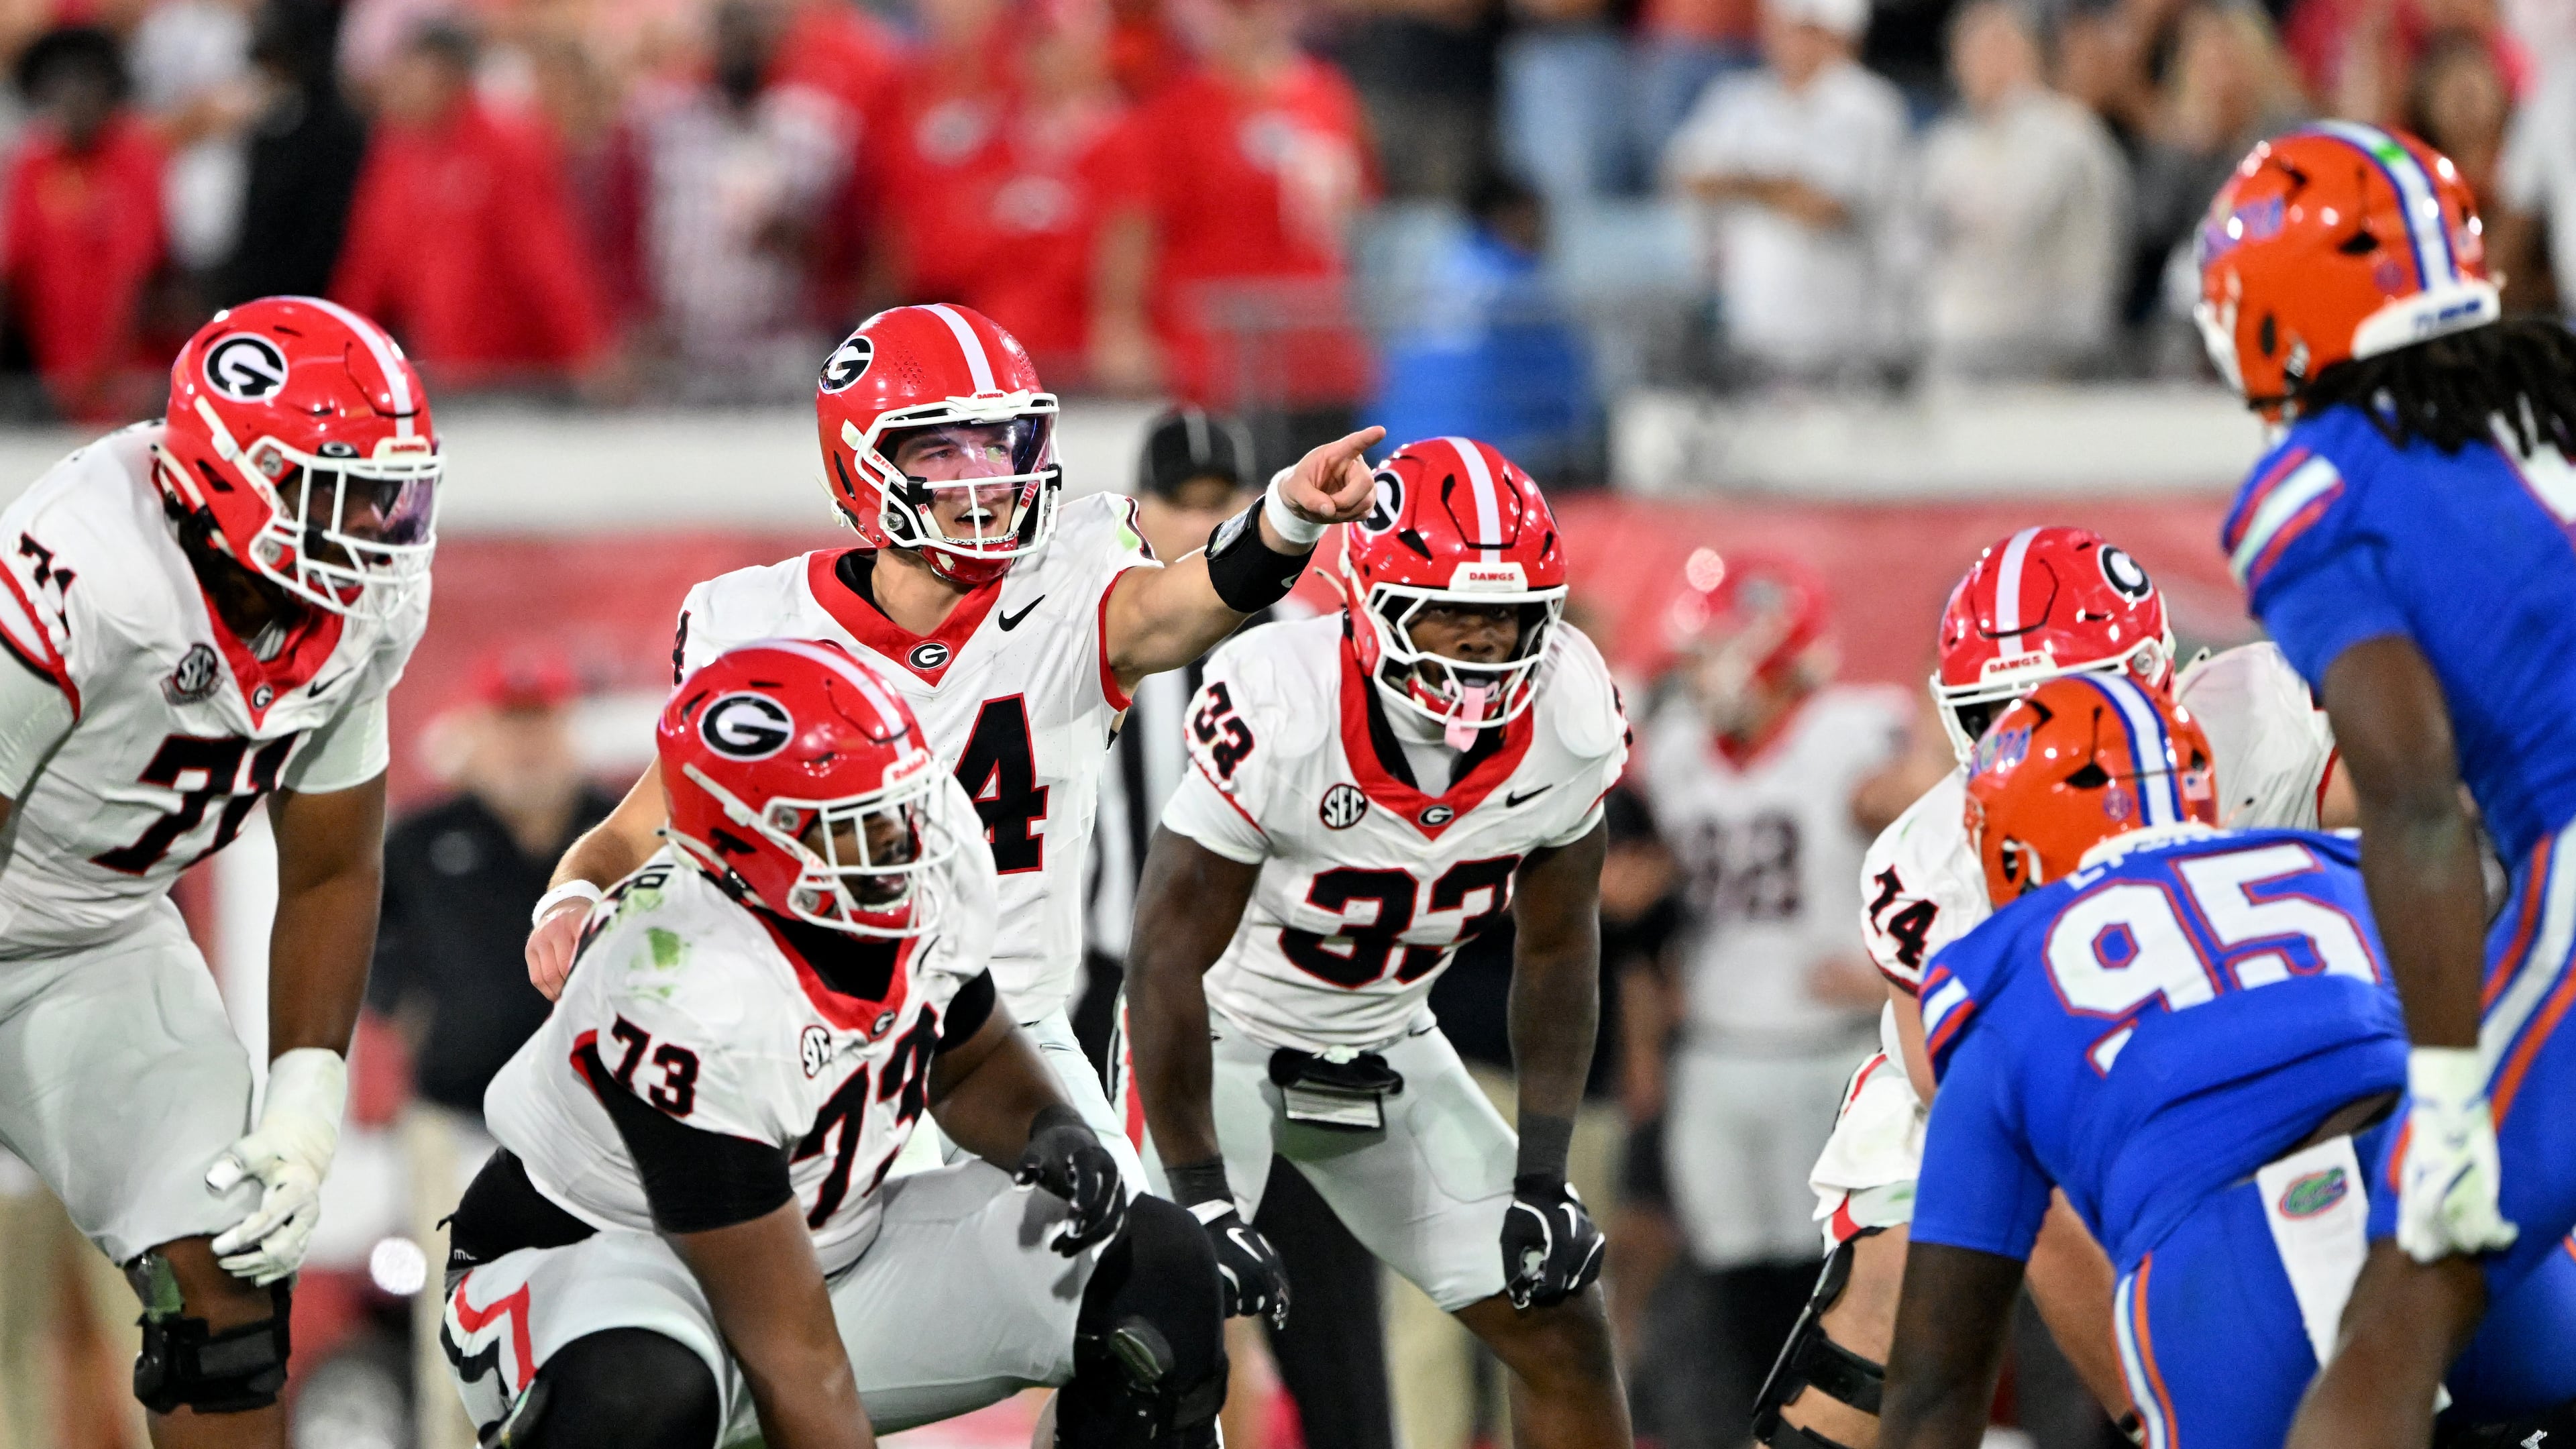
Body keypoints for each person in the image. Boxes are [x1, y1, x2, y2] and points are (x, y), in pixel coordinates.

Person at [525, 304, 1379, 1225]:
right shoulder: (764, 626)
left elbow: (1188, 603)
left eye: (1003, 442)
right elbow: (642, 826)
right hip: (818, 1044)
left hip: (1018, 1032)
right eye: (947, 452)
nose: (988, 478)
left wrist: (1286, 519)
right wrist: (572, 897)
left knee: (1148, 1299)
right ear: (863, 463)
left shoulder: (1069, 585)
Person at [443, 639, 1228, 1447]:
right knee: (641, 1396)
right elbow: (799, 1365)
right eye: (855, 825)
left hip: (836, 1248)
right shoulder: (671, 982)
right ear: (744, 848)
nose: (899, 842)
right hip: (599, 1271)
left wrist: (1044, 1123)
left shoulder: (919, 862)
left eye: (896, 806)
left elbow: (970, 1062)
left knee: (1157, 1262)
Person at [1874, 676, 2576, 1449]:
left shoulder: (1991, 979)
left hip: (2230, 1273)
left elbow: (1935, 1382)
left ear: (2006, 840)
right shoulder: (2336, 862)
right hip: (2429, 1196)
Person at [1762, 525, 2349, 1449]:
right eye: (2003, 712)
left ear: (2158, 675)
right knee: (1885, 1323)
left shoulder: (2260, 718)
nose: (2045, 739)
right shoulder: (1934, 861)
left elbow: (2416, 812)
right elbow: (1977, 1123)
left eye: (2073, 697)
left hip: (2231, 1036)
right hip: (2031, 1076)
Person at [1122, 437, 1634, 1449]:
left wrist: (1542, 1176)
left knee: (1564, 1323)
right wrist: (1203, 1198)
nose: (1484, 649)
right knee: (1155, 1343)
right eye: (1456, 614)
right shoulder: (1282, 695)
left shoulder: (1570, 712)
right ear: (1370, 596)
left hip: (1387, 1040)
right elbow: (1166, 961)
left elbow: (1562, 950)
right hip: (1221, 1037)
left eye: (1510, 621)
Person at [2192, 123, 2576, 1448]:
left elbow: (2408, 795)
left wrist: (2453, 1093)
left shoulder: (2323, 483)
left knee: (2403, 1306)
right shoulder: (2554, 383)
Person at [0, 296, 439, 1444]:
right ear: (229, 480)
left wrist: (304, 1092)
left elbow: (335, 862)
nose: (382, 533)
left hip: (94, 933)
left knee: (226, 1304)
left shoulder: (363, 612)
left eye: (394, 493)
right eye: (343, 496)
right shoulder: (87, 569)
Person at [1081, 406, 1395, 1449]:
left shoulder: (1313, 650)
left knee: (1333, 1327)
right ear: (1143, 510)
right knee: (1134, 1330)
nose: (1212, 522)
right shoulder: (1087, 637)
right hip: (1125, 1013)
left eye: (1229, 503)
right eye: (1190, 503)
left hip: (1274, 1010)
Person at [1628, 551, 1907, 1446]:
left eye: (1719, 648)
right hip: (1714, 1046)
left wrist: (1894, 967)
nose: (1703, 669)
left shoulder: (1850, 737)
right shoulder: (1674, 751)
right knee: (1735, 1273)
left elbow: (1943, 827)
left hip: (1826, 1046)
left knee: (1830, 1274)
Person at [329, 21, 608, 387]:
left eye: (417, 76)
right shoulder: (395, 151)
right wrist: (339, 347)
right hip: (444, 362)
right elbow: (371, 262)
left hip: (520, 369)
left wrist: (587, 348)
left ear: (453, 79)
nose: (402, 88)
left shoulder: (506, 146)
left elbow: (545, 254)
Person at [1659, 0, 1911, 386]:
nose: (1795, 42)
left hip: (1843, 341)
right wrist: (1774, 186)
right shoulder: (1736, 97)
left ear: (1843, 37)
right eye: (1787, 27)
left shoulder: (1868, 104)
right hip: (1751, 334)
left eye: (1809, 30)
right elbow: (1685, 177)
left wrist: (1741, 182)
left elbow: (1823, 206)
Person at [1917, 0, 2132, 380]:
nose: (1989, 64)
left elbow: (2090, 244)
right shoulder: (1945, 147)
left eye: (2001, 47)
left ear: (2031, 55)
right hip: (1958, 353)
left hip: (2048, 355)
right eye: (1976, 51)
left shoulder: (2070, 135)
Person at [3, 25, 169, 421]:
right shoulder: (34, 164)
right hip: (50, 373)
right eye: (59, 84)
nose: (73, 97)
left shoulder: (134, 159)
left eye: (85, 82)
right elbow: (15, 266)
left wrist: (101, 371)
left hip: (126, 376)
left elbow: (137, 273)